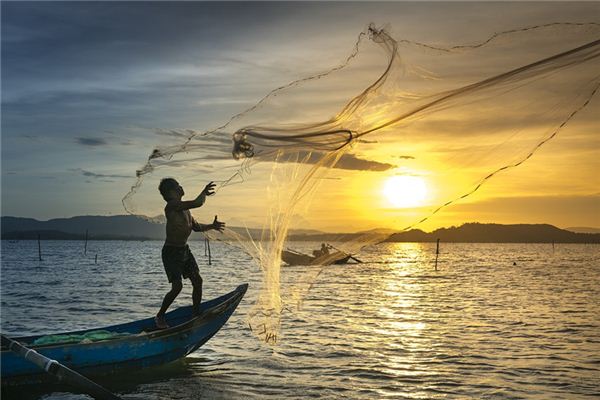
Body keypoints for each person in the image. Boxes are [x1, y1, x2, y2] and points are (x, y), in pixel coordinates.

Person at [155, 178, 225, 329]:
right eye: (178, 186)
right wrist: (204, 192)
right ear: (171, 192)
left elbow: (196, 227)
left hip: (184, 250)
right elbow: (198, 202)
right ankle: (160, 316)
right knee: (177, 287)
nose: (181, 187)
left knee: (197, 281)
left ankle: (195, 313)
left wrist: (212, 226)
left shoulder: (186, 209)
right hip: (171, 252)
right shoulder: (172, 206)